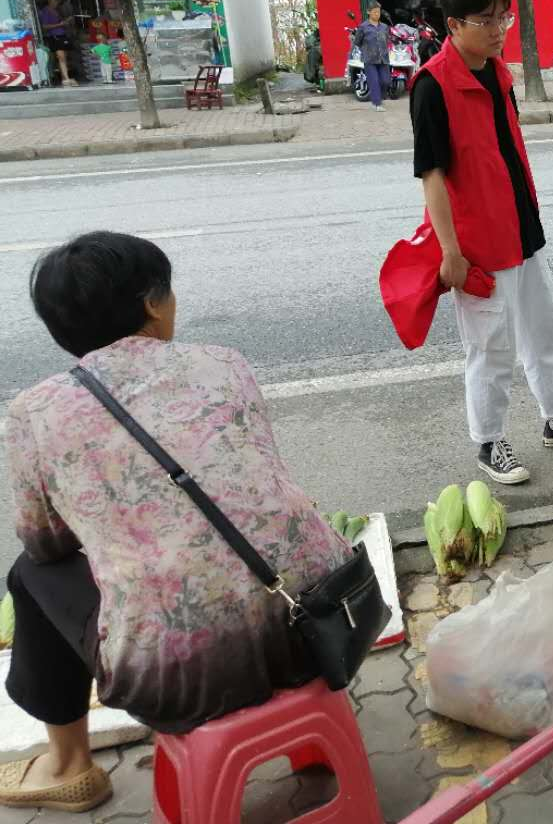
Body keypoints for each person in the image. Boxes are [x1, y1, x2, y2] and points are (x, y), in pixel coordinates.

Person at [0, 233, 352, 813]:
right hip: (325, 622)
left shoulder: (34, 413)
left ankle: (68, 764)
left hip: (177, 679)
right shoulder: (223, 364)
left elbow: (45, 543)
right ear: (150, 305)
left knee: (31, 575)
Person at [410, 0, 553, 485]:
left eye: (504, 17)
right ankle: (489, 441)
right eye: (487, 20)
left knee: (545, 332)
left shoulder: (498, 73)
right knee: (490, 349)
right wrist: (451, 252)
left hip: (523, 229)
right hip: (479, 243)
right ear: (453, 25)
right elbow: (432, 176)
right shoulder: (432, 86)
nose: (500, 29)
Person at [355, 0, 391, 111]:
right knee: (374, 81)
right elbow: (357, 41)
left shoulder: (384, 27)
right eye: (374, 12)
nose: (377, 14)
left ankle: (380, 97)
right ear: (368, 12)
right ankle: (377, 103)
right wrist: (366, 50)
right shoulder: (363, 27)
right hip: (369, 59)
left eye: (378, 12)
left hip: (383, 58)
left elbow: (387, 40)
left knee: (385, 81)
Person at [38, 0, 76, 87]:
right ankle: (66, 79)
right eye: (55, 0)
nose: (56, 2)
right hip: (54, 36)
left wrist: (65, 22)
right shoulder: (45, 11)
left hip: (61, 35)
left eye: (58, 1)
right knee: (61, 57)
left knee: (63, 58)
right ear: (49, 0)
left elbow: (60, 23)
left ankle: (64, 78)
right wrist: (59, 24)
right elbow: (44, 26)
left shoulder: (56, 11)